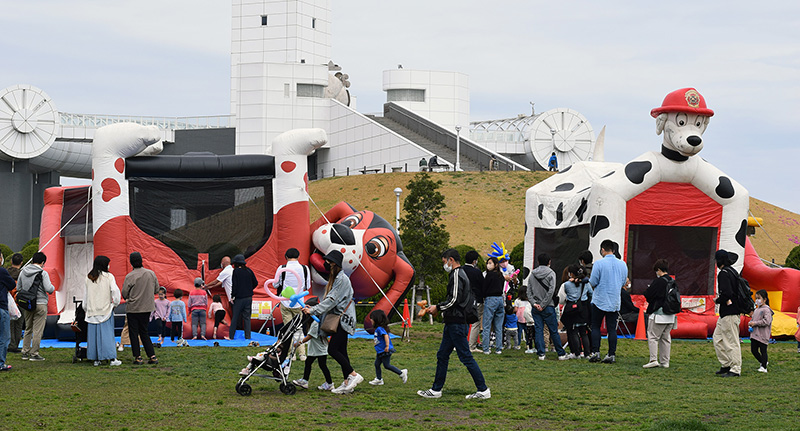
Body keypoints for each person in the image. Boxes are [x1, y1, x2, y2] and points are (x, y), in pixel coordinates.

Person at [417, 248, 490, 400]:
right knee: (442, 355)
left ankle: (483, 389)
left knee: (465, 356)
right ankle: (436, 389)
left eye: (444, 262)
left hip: (456, 322)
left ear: (451, 260)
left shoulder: (457, 274)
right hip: (453, 322)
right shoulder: (459, 274)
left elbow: (454, 299)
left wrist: (438, 307)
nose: (444, 265)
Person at [303, 250, 363, 394]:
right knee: (342, 351)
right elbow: (331, 300)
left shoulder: (341, 280)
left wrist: (313, 311)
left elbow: (332, 300)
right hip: (342, 319)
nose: (327, 265)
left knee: (333, 349)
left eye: (329, 263)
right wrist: (315, 308)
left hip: (341, 319)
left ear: (334, 263)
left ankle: (353, 375)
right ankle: (347, 383)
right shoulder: (338, 279)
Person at [588, 240, 628, 364]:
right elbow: (623, 282)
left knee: (595, 326)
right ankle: (611, 354)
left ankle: (595, 352)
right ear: (614, 250)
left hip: (600, 299)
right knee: (612, 329)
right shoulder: (622, 264)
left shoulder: (599, 264)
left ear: (602, 250)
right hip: (614, 300)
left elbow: (593, 281)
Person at [83, 256, 122, 367]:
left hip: (91, 311)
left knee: (93, 337)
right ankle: (111, 358)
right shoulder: (109, 276)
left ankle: (96, 359)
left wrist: (86, 308)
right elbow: (115, 291)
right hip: (105, 310)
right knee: (107, 336)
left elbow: (85, 295)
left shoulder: (89, 277)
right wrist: (115, 303)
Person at [121, 252, 159, 365]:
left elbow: (124, 293)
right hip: (147, 308)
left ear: (131, 262)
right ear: (142, 260)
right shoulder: (151, 274)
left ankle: (138, 357)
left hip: (133, 308)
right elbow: (156, 290)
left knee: (133, 333)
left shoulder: (130, 276)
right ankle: (152, 356)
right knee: (144, 332)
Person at [274, 248, 312, 360]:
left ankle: (291, 354)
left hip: (285, 302)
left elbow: (276, 284)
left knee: (288, 328)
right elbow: (307, 286)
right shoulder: (305, 269)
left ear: (286, 257)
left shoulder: (282, 268)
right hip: (299, 303)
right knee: (299, 328)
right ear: (298, 256)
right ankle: (302, 354)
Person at [528, 253, 567, 360]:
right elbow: (551, 291)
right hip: (548, 306)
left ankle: (541, 353)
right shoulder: (551, 274)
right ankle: (560, 353)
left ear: (538, 262)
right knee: (553, 330)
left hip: (535, 307)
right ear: (549, 262)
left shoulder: (532, 274)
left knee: (539, 330)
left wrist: (534, 303)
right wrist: (544, 304)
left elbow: (529, 291)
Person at [291, 297, 334, 391]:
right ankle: (306, 381)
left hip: (319, 349)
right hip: (317, 348)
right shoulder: (316, 321)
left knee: (320, 365)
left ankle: (329, 383)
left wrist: (299, 343)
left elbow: (310, 336)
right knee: (313, 363)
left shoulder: (316, 323)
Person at [18, 252, 54, 361]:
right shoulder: (43, 273)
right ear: (43, 262)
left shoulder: (23, 271)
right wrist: (53, 288)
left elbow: (18, 287)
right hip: (40, 303)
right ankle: (34, 354)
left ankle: (25, 352)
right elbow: (49, 288)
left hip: (28, 304)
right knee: (38, 330)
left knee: (28, 328)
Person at [713, 249, 742, 377]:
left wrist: (717, 300)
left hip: (729, 312)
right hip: (728, 312)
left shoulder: (723, 274)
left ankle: (735, 368)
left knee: (731, 341)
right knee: (717, 338)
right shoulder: (733, 272)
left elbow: (727, 293)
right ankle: (726, 364)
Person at [643, 259, 677, 369]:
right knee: (666, 338)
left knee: (653, 337)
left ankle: (653, 359)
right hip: (670, 315)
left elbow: (648, 294)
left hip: (658, 314)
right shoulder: (672, 281)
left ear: (658, 270)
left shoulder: (658, 282)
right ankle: (665, 362)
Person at [368, 309, 408, 386]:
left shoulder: (380, 329)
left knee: (387, 365)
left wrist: (387, 346)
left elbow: (386, 336)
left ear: (377, 319)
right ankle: (379, 379)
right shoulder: (378, 328)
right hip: (380, 351)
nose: (370, 320)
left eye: (372, 318)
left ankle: (401, 373)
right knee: (377, 364)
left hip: (385, 351)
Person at [561, 264, 592, 359]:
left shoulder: (567, 284)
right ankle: (587, 353)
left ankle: (577, 353)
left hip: (572, 308)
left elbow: (562, 296)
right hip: (583, 308)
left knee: (574, 331)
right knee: (583, 331)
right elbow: (591, 293)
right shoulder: (586, 283)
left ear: (571, 274)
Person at [229, 254, 258, 340]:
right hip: (248, 297)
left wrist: (232, 296)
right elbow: (255, 282)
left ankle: (231, 336)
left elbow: (234, 285)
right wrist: (249, 289)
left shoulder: (236, 272)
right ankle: (248, 336)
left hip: (239, 298)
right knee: (247, 317)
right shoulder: (249, 271)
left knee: (235, 317)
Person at [461, 250, 485, 352]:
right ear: (474, 261)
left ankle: (458, 344)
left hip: (462, 300)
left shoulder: (460, 270)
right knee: (475, 323)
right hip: (476, 299)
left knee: (461, 322)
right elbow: (483, 286)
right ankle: (472, 346)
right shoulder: (477, 272)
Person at [481, 257, 505, 355]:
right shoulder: (501, 275)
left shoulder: (489, 275)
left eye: (490, 263)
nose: (488, 265)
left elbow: (484, 288)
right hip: (500, 299)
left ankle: (486, 348)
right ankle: (499, 348)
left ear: (495, 264)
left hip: (490, 299)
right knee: (498, 326)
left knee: (486, 325)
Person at [748, 289, 773, 373]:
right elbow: (754, 319)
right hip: (755, 334)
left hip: (763, 335)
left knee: (763, 351)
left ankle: (764, 367)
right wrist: (751, 322)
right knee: (754, 350)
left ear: (764, 299)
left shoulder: (766, 310)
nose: (757, 300)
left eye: (759, 298)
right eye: (756, 298)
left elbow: (767, 321)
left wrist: (755, 323)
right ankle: (763, 362)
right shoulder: (757, 309)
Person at [0, 253, 16, 371]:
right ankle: (1, 363)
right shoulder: (2, 272)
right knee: (4, 336)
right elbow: (12, 285)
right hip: (1, 306)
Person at [7, 253, 23, 353]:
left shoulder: (6, 272)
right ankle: (15, 345)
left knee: (10, 324)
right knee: (19, 324)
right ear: (21, 263)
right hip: (19, 301)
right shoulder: (22, 274)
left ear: (11, 261)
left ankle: (10, 344)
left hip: (9, 301)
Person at [515, 289, 535, 354]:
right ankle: (528, 344)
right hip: (527, 319)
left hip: (519, 318)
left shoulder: (517, 300)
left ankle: (518, 344)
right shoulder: (529, 301)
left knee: (519, 332)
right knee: (528, 333)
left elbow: (515, 309)